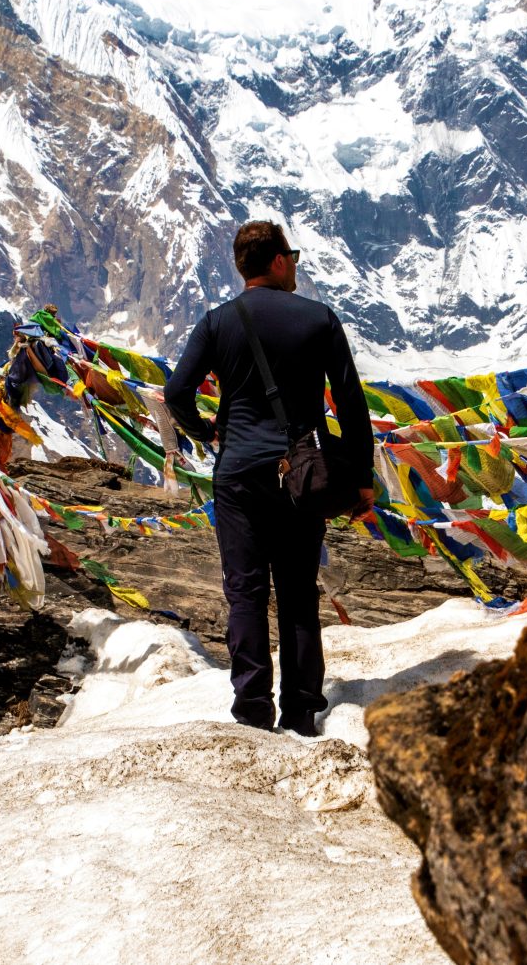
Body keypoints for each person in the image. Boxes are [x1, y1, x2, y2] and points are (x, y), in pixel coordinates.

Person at [165, 221, 375, 735]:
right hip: (301, 472)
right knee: (299, 591)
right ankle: (302, 712)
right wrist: (361, 477)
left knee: (246, 592)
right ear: (278, 260)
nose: (296, 265)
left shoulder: (217, 322)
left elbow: (175, 394)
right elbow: (350, 403)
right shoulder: (318, 319)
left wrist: (206, 430)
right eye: (293, 256)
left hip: (237, 473)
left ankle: (252, 711)